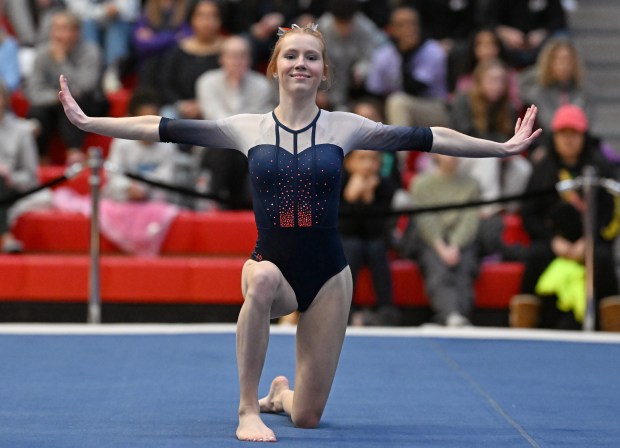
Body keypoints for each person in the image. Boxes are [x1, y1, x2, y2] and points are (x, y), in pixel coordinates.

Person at [58, 22, 542, 442]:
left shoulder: (345, 127)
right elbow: (158, 126)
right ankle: (247, 406)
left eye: (312, 57)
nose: (301, 64)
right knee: (263, 280)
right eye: (291, 56)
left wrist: (500, 149)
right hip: (271, 265)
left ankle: (278, 395)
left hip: (329, 275)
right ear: (274, 68)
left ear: (325, 71)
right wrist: (88, 122)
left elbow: (433, 137)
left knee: (308, 418)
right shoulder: (244, 127)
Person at [510, 104, 620, 331]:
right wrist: (553, 240)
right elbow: (529, 215)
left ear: (584, 136)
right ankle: (523, 323)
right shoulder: (543, 170)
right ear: (554, 137)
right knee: (537, 255)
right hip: (554, 241)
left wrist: (590, 240)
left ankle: (613, 325)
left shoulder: (600, 166)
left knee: (603, 259)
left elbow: (612, 213)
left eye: (574, 134)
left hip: (590, 241)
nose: (568, 140)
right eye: (563, 134)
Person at [451, 58, 531, 261]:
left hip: (497, 156)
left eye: (501, 81)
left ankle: (508, 209)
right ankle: (488, 211)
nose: (497, 85)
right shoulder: (463, 101)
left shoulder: (508, 107)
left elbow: (512, 139)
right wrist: (499, 147)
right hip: (462, 158)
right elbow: (465, 136)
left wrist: (503, 149)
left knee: (522, 167)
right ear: (479, 81)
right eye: (492, 80)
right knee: (488, 158)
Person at [195, 34, 275, 210]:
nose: (236, 61)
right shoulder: (207, 82)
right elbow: (215, 120)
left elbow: (257, 123)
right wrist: (234, 87)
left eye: (242, 55)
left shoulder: (261, 84)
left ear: (249, 59)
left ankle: (237, 210)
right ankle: (216, 206)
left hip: (249, 146)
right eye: (231, 55)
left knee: (242, 153)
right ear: (221, 58)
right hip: (214, 145)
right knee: (225, 151)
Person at [408, 153, 481, 326]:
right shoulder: (421, 184)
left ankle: (459, 316)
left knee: (465, 267)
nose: (452, 155)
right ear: (435, 154)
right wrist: (440, 246)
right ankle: (450, 315)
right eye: (447, 150)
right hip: (430, 241)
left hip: (462, 242)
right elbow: (426, 221)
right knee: (437, 266)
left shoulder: (472, 184)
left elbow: (469, 220)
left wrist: (455, 245)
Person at [25, 10, 105, 164]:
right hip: (52, 104)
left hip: (88, 103)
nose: (58, 35)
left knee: (72, 104)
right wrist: (57, 97)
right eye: (55, 29)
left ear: (77, 32)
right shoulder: (42, 54)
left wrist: (61, 60)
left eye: (64, 29)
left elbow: (83, 87)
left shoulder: (91, 52)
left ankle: (74, 153)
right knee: (36, 112)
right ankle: (41, 159)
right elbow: (33, 91)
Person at [339, 149, 400, 326]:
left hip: (375, 239)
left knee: (376, 247)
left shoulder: (385, 186)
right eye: (362, 158)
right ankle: (345, 310)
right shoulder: (336, 183)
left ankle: (386, 309)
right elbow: (341, 228)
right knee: (352, 246)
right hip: (344, 240)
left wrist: (367, 198)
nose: (368, 164)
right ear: (348, 162)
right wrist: (350, 199)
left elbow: (378, 229)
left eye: (373, 159)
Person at [366, 6, 451, 132]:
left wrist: (406, 55)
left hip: (434, 107)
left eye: (412, 24)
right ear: (392, 30)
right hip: (395, 110)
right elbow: (374, 92)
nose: (409, 29)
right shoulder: (383, 55)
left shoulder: (433, 51)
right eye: (401, 25)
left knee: (398, 102)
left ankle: (401, 151)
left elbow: (414, 89)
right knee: (368, 109)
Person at [158, 0, 223, 120]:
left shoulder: (227, 50)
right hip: (181, 108)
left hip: (218, 109)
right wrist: (181, 104)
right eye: (201, 16)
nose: (207, 22)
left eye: (212, 16)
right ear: (192, 19)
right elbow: (166, 83)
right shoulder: (178, 50)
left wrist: (205, 106)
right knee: (168, 116)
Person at [519, 37, 589, 135]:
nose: (564, 65)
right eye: (559, 60)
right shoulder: (537, 93)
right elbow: (550, 124)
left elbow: (585, 125)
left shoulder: (585, 93)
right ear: (549, 63)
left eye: (568, 60)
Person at [0, 80, 39, 253]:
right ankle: (5, 235)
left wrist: (10, 176)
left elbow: (31, 176)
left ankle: (5, 235)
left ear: (6, 100)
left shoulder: (21, 130)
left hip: (12, 188)